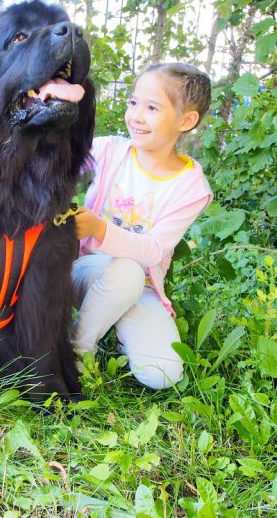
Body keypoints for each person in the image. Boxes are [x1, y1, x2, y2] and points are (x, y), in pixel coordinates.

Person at [72, 63, 213, 389]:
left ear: (186, 121)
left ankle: (113, 322)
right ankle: (76, 349)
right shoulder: (109, 151)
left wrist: (98, 228)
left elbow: (153, 250)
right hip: (81, 272)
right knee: (125, 273)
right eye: (133, 102)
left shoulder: (191, 186)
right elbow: (53, 165)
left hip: (142, 286)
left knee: (162, 374)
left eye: (152, 108)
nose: (136, 116)